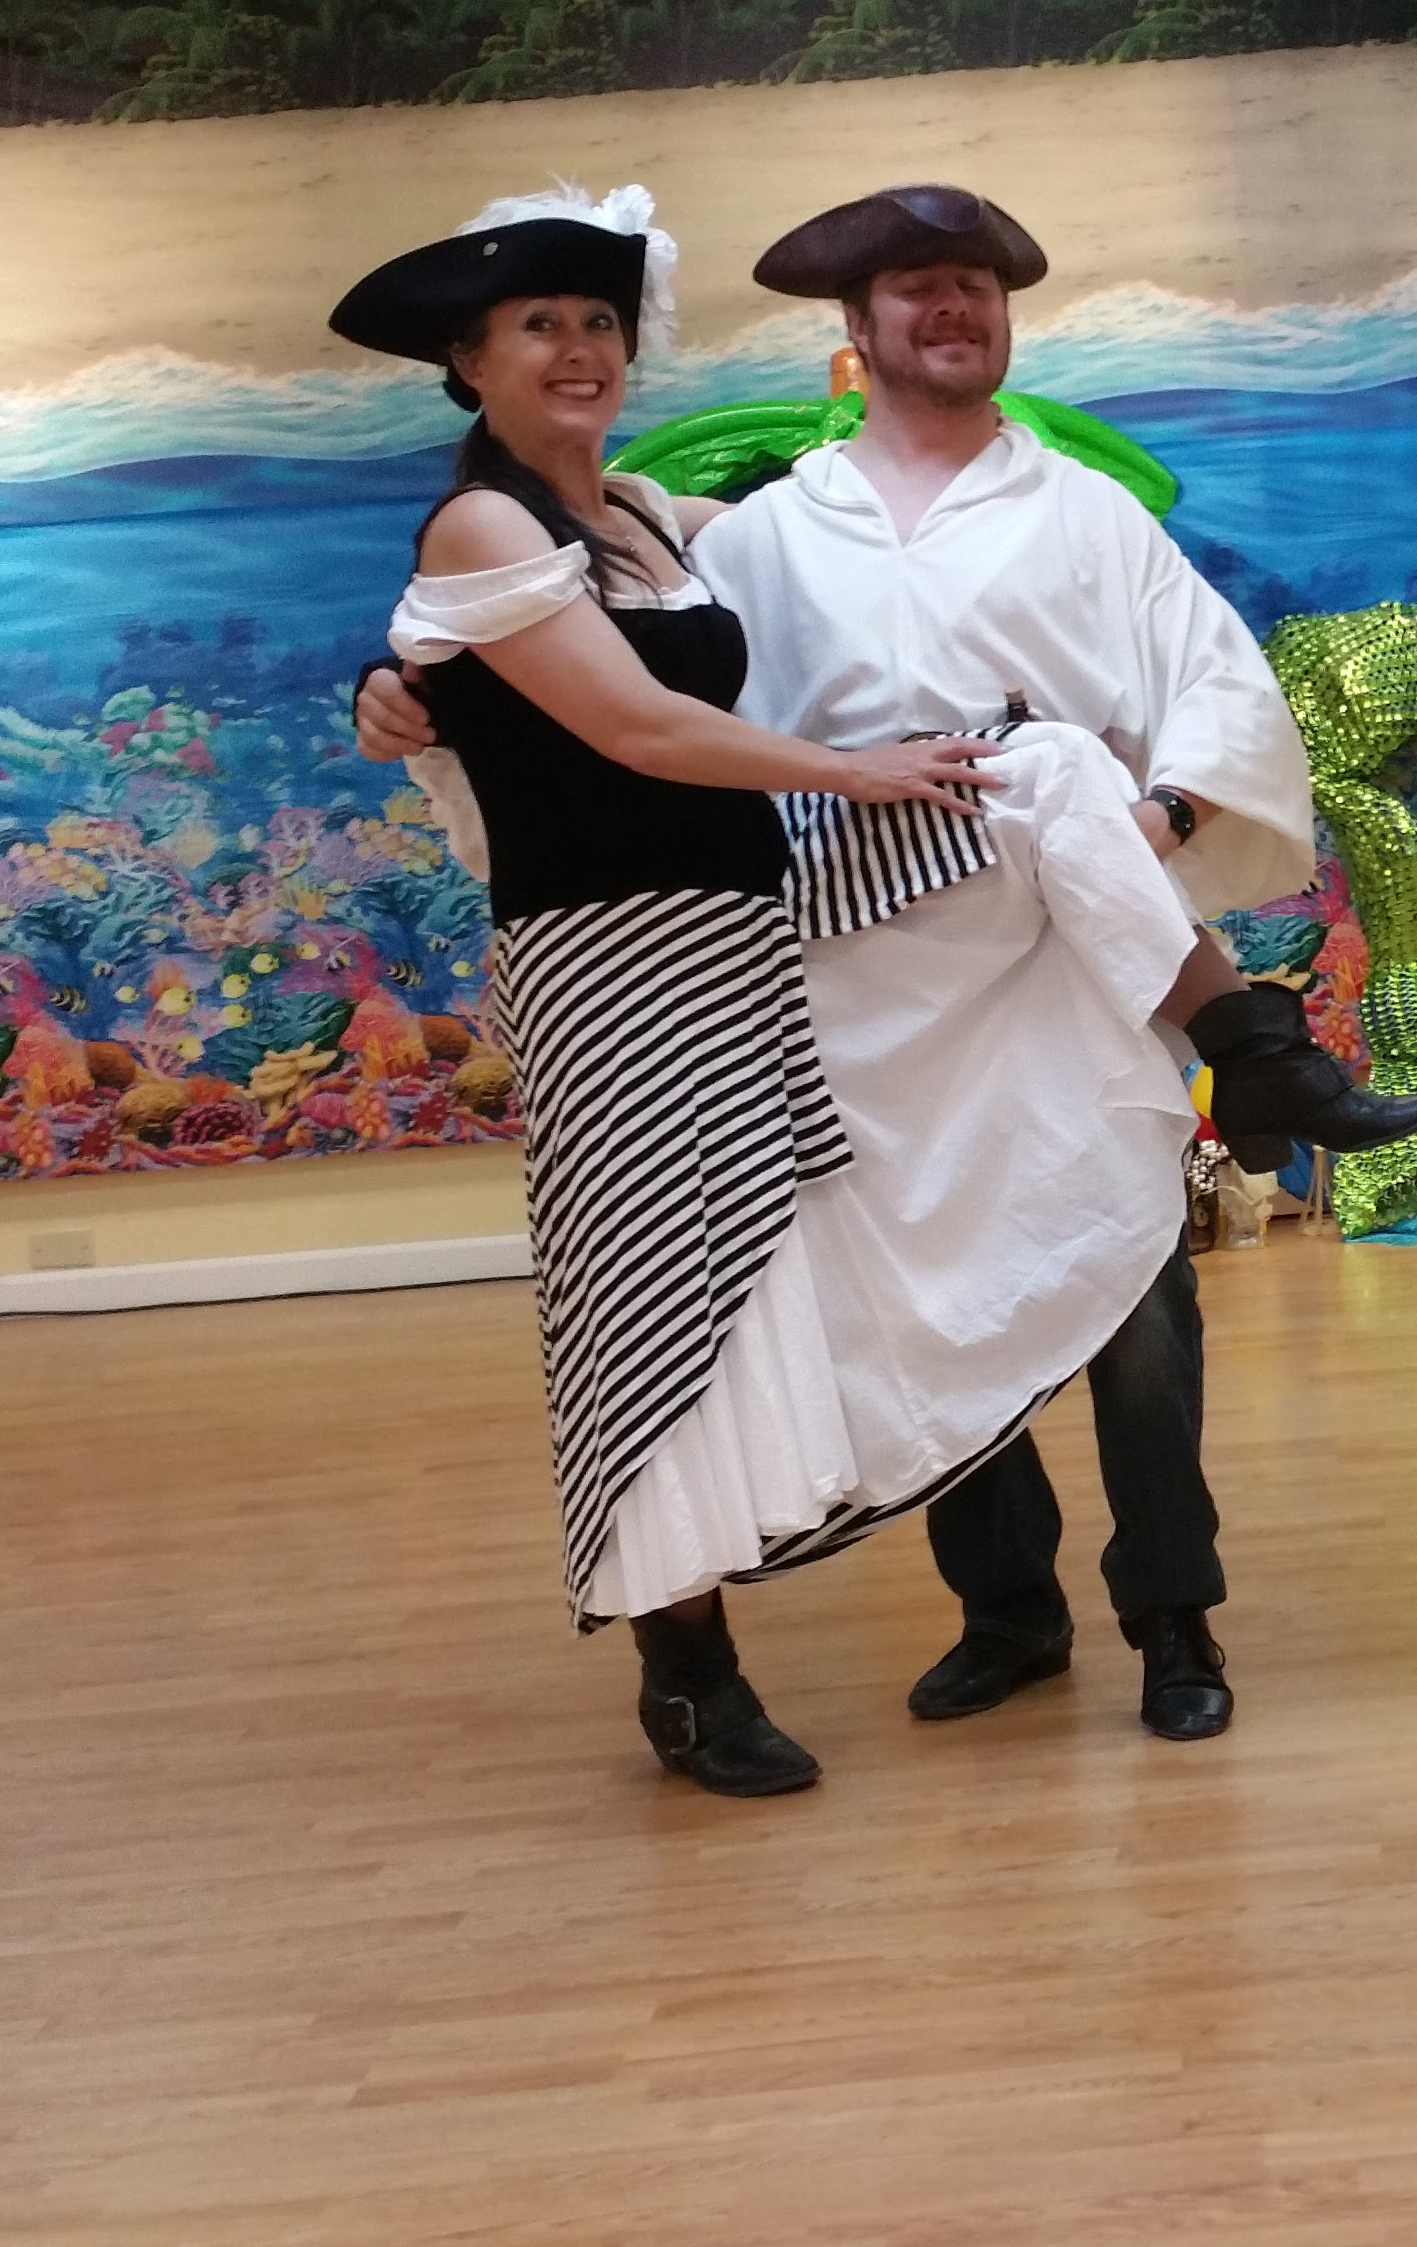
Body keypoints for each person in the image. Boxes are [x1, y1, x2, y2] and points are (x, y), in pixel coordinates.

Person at [363, 181, 1409, 1746]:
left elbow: (1217, 683)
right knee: (929, 1294)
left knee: (1132, 1287)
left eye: (975, 285)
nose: (950, 309)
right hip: (854, 961)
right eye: (915, 289)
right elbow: (595, 678)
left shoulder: (1085, 514)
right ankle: (1006, 1613)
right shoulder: (760, 534)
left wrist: (1172, 810)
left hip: (1060, 942)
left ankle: (1174, 1617)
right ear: (855, 330)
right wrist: (397, 685)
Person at [340, 181, 1033, 1801]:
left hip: (728, 944)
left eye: (599, 319)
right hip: (606, 961)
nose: (579, 348)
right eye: (538, 326)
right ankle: (684, 1669)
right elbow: (636, 729)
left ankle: (711, 1622)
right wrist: (858, 772)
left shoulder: (652, 514)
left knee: (744, 1284)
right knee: (644, 1293)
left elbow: (843, 552)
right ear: (469, 363)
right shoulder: (482, 528)